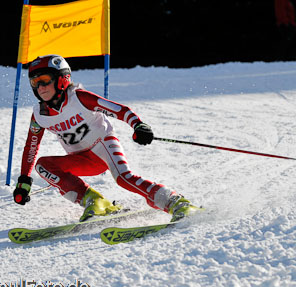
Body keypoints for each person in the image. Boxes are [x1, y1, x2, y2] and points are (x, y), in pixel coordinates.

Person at [13, 54, 197, 222]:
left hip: (103, 145)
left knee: (124, 178)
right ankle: (95, 202)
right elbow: (31, 146)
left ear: (62, 78)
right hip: (82, 159)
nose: (40, 87)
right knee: (43, 165)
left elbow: (120, 110)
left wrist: (138, 125)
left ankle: (175, 202)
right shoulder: (39, 115)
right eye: (35, 82)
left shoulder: (79, 98)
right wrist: (24, 181)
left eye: (44, 80)